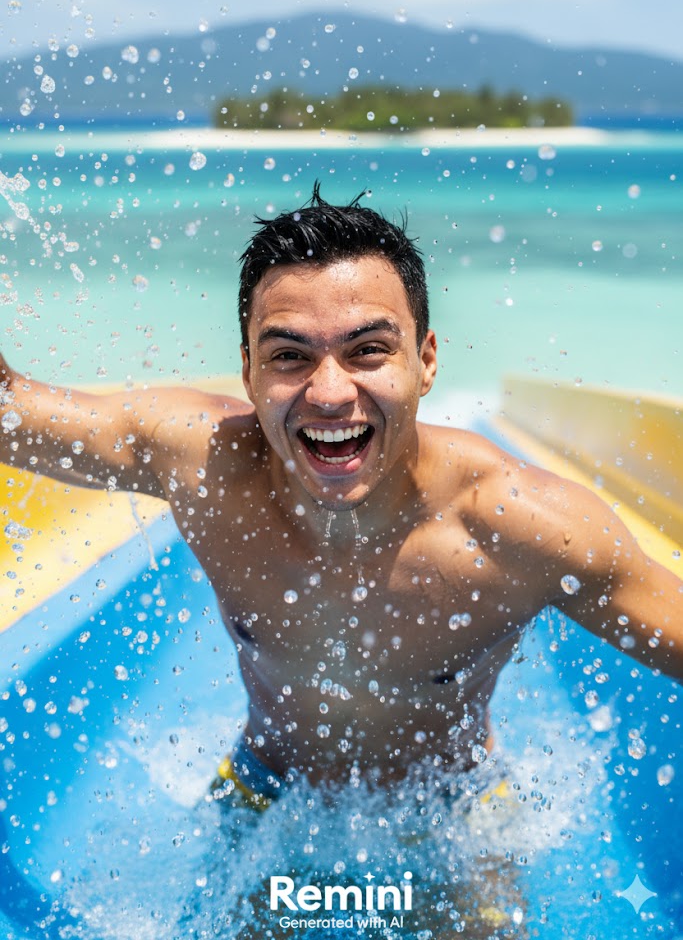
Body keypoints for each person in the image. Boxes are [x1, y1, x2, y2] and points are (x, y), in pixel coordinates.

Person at [1, 184, 681, 808]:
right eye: (288, 356)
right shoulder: (201, 465)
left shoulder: (522, 526)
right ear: (248, 370)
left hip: (453, 802)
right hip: (267, 787)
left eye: (367, 351)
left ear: (426, 361)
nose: (329, 393)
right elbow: (11, 415)